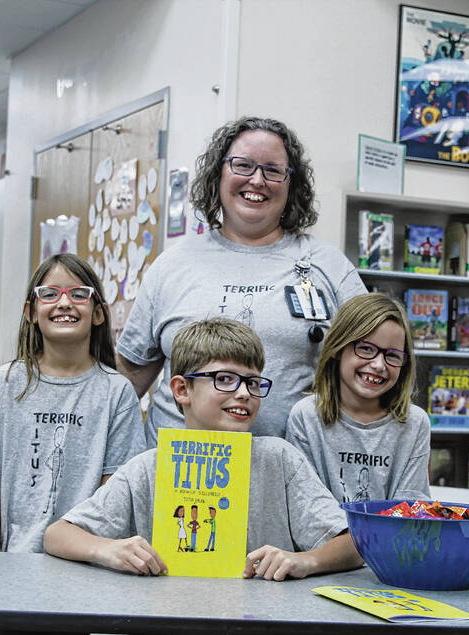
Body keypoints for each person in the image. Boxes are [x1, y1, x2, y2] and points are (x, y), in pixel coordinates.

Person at [45, 317, 363, 635]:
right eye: (225, 380)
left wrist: (303, 560)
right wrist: (109, 550)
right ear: (181, 389)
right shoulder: (149, 467)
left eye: (253, 382)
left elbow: (352, 543)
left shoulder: (279, 461)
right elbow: (57, 535)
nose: (244, 393)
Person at [0, 253, 147, 635]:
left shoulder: (115, 392)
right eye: (50, 294)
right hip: (12, 568)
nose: (65, 303)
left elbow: (114, 488)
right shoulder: (7, 382)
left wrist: (91, 551)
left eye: (79, 294)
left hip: (75, 571)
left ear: (98, 313)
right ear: (30, 310)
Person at [116, 116, 366, 445]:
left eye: (273, 170)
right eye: (242, 165)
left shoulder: (329, 266)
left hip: (291, 479)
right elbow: (126, 384)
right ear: (218, 173)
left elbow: (375, 362)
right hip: (178, 480)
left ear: (292, 184)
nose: (257, 180)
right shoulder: (172, 265)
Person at [285, 293, 431, 635]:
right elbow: (309, 522)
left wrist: (379, 621)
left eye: (392, 355)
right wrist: (349, 618)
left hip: (398, 593)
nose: (378, 365)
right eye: (365, 349)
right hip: (330, 590)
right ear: (339, 347)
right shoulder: (306, 418)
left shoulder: (413, 424)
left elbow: (409, 524)